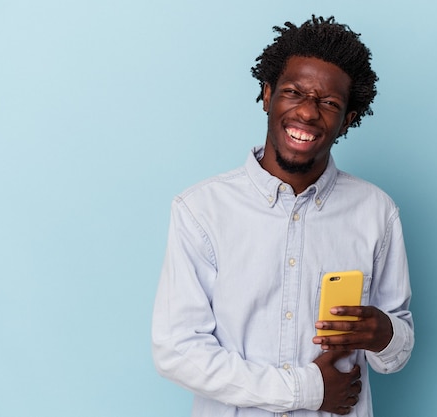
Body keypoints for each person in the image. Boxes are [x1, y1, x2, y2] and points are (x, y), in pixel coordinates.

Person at [152, 15, 414, 416]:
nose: (308, 113)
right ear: (268, 94)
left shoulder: (376, 211)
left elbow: (394, 352)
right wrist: (304, 390)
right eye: (293, 93)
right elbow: (177, 351)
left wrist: (386, 334)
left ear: (347, 119)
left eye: (328, 103)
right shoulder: (200, 210)